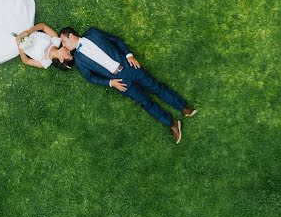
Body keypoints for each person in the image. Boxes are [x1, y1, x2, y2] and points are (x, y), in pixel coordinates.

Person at [59, 26, 196, 143]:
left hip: (129, 67)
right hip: (120, 82)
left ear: (71, 35)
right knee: (145, 102)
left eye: (64, 41)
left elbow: (116, 40)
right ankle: (172, 124)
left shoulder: (93, 33)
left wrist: (129, 55)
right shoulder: (78, 60)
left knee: (156, 87)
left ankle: (183, 107)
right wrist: (110, 83)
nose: (64, 46)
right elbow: (90, 77)